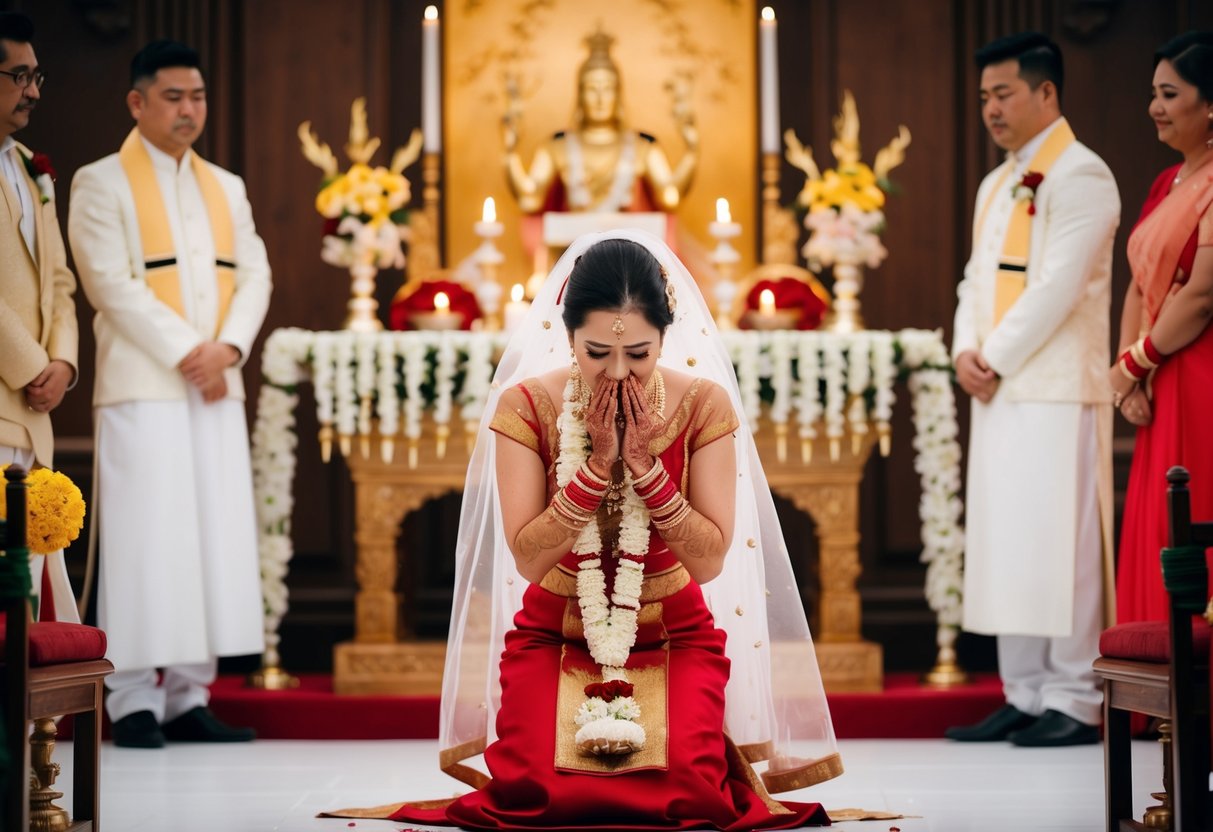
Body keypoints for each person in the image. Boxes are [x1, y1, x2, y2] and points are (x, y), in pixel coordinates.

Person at [325, 230, 838, 830]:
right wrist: (594, 469)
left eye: (639, 354)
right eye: (596, 353)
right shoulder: (525, 406)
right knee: (535, 791)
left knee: (688, 794)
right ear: (566, 336)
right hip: (556, 631)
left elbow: (708, 563)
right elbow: (528, 559)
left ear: (665, 338)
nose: (616, 373)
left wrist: (647, 468)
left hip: (674, 632)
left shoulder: (703, 404)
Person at [67, 40, 271, 749]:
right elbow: (110, 284)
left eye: (199, 97)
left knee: (210, 537)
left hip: (214, 387)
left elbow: (255, 276)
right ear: (137, 102)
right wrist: (191, 352)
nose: (190, 111)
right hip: (144, 388)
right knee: (146, 540)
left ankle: (189, 695)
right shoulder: (101, 182)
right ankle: (130, 701)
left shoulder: (226, 185)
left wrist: (227, 350)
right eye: (174, 97)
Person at [946, 32, 1120, 747]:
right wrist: (963, 350)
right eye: (983, 96)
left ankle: (1076, 695)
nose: (989, 108)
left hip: (1053, 386)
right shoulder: (995, 183)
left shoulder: (1081, 175)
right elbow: (972, 281)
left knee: (1063, 544)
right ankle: (1022, 691)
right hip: (1000, 385)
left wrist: (993, 356)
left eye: (1003, 93)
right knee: (1008, 540)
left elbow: (1058, 285)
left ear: (1045, 93)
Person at [1110, 31, 1213, 625]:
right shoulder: (1164, 182)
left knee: (1189, 514)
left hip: (1195, 376)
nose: (1154, 106)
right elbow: (1138, 282)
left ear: (1210, 104)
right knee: (1153, 525)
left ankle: (1193, 695)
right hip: (1156, 372)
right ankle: (1157, 707)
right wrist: (1132, 370)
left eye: (1169, 93)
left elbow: (1200, 297)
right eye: (1152, 92)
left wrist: (1131, 365)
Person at [0, 11, 80, 624]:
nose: (33, 90)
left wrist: (63, 363)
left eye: (36, 76)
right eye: (19, 75)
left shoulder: (32, 167)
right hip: (7, 389)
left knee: (25, 582)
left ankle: (25, 721)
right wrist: (31, 364)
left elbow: (60, 282)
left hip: (34, 408)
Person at [503, 29, 697, 215]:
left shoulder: (643, 145)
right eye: (591, 88)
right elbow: (529, 200)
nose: (600, 98)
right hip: (570, 244)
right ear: (580, 95)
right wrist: (510, 154)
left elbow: (670, 198)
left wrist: (691, 152)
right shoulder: (556, 145)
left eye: (607, 88)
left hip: (628, 246)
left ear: (618, 95)